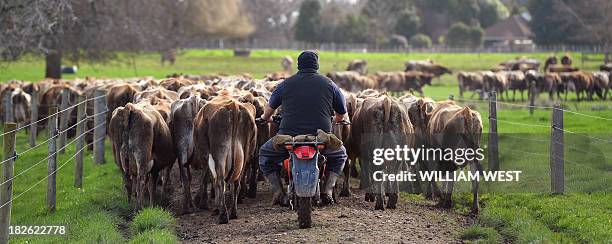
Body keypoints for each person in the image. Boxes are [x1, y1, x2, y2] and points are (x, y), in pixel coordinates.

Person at [258, 51, 348, 206]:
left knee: (265, 155)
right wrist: (333, 120)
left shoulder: (285, 84)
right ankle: (327, 189)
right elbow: (342, 114)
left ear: (298, 65)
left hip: (288, 137)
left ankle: (279, 192)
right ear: (317, 65)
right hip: (321, 137)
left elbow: (267, 113)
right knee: (340, 156)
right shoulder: (329, 84)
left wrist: (267, 119)